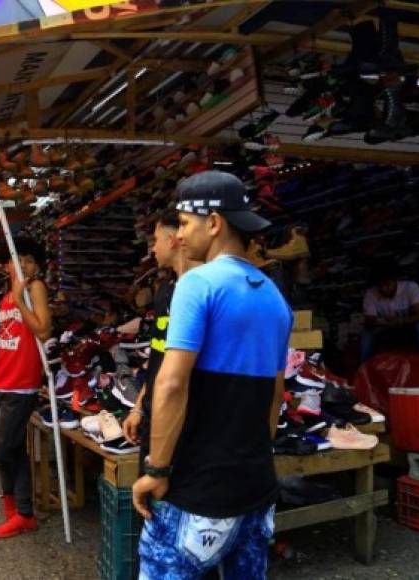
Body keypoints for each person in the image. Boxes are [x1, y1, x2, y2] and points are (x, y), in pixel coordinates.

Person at [132, 171, 293, 579]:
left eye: (185, 223)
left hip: (197, 492)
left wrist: (157, 470)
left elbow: (171, 384)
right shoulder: (275, 298)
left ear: (215, 223)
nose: (179, 236)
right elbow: (275, 397)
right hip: (255, 490)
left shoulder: (197, 284)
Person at [123, 209, 201, 473]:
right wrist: (139, 408)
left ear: (173, 240)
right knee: (150, 509)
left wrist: (159, 464)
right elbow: (159, 359)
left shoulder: (201, 294)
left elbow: (177, 377)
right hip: (154, 417)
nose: (153, 248)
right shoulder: (166, 292)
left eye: (156, 240)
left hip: (182, 426)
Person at [0, 236, 52, 539]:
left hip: (22, 386)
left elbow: (43, 330)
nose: (23, 265)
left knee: (1, 450)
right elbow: (4, 344)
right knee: (10, 450)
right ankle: (18, 511)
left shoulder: (33, 288)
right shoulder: (6, 298)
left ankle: (21, 511)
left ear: (37, 265)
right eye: (17, 258)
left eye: (29, 259)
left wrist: (21, 299)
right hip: (2, 384)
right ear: (6, 264)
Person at [360, 262, 419, 362]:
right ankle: (363, 367)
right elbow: (370, 319)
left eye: (388, 285)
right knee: (367, 333)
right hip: (388, 330)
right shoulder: (371, 293)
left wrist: (400, 321)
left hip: (409, 328)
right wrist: (383, 322)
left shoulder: (410, 287)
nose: (384, 289)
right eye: (380, 286)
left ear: (395, 281)